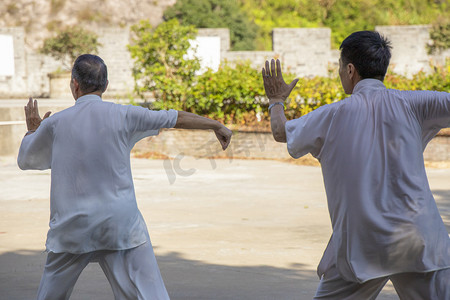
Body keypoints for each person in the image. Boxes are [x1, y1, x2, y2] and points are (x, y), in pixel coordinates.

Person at [18, 54, 232, 300]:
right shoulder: (124, 115)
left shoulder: (55, 123)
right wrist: (217, 125)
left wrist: (32, 131)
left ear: (74, 84)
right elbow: (176, 118)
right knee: (151, 295)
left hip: (71, 229)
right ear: (105, 86)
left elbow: (26, 159)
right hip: (120, 225)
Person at [262, 31, 449, 299]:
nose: (339, 72)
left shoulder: (332, 115)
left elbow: (281, 131)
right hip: (419, 239)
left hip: (362, 246)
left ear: (350, 70)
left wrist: (276, 100)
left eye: (340, 66)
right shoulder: (415, 103)